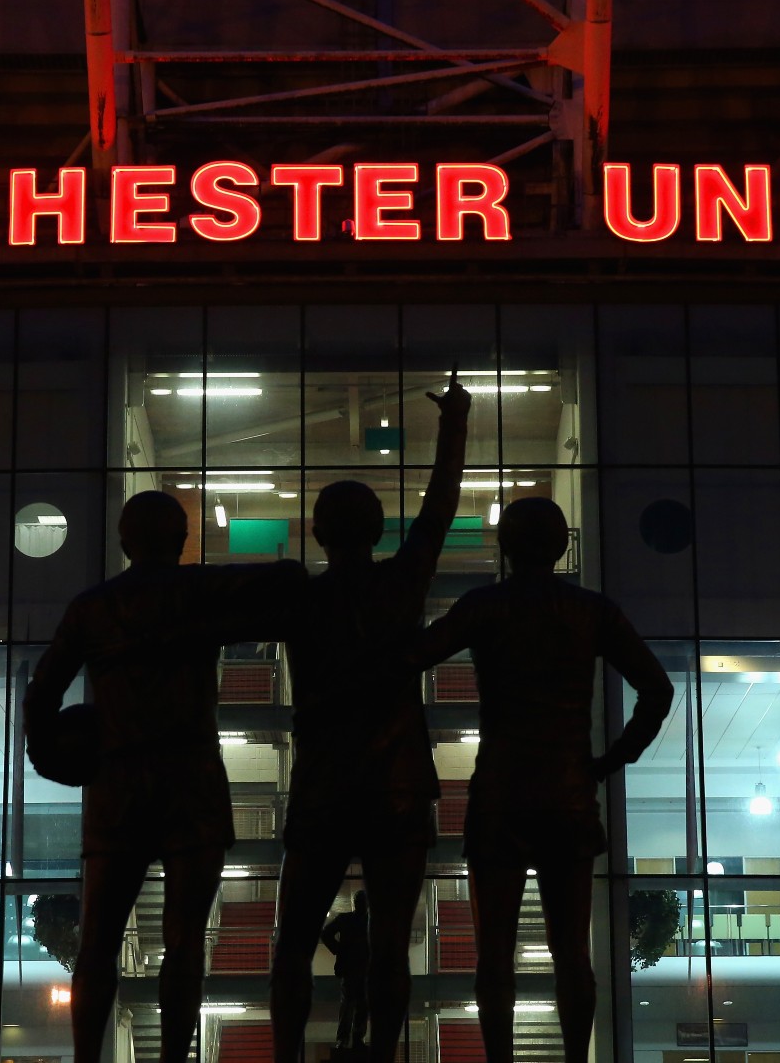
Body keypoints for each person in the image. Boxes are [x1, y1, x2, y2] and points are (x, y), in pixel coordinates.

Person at [22, 490, 303, 1063]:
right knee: (184, 943)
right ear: (178, 542)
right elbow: (274, 582)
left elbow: (41, 694)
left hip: (118, 783)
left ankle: (85, 1060)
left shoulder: (91, 608)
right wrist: (291, 570)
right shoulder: (194, 590)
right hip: (189, 780)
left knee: (99, 942)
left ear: (125, 542)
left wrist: (54, 759)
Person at [405, 497, 674, 1063]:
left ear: (505, 546)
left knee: (494, 956)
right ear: (560, 548)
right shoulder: (593, 611)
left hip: (501, 793)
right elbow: (657, 690)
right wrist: (611, 760)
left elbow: (411, 657)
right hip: (569, 793)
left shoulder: (484, 606)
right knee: (571, 953)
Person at [267, 371, 471, 1063]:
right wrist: (454, 427)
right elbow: (441, 508)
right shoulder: (400, 582)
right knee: (390, 942)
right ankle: (384, 1055)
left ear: (318, 531)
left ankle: (288, 1057)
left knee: (293, 942)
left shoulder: (298, 599)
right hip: (398, 782)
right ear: (381, 530)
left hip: (324, 782)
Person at [320, 891, 371, 1052]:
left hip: (359, 970)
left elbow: (326, 934)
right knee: (353, 1006)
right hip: (357, 970)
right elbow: (325, 934)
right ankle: (352, 1039)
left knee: (355, 1006)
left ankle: (350, 1039)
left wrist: (338, 950)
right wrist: (338, 950)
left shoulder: (347, 920)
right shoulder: (368, 922)